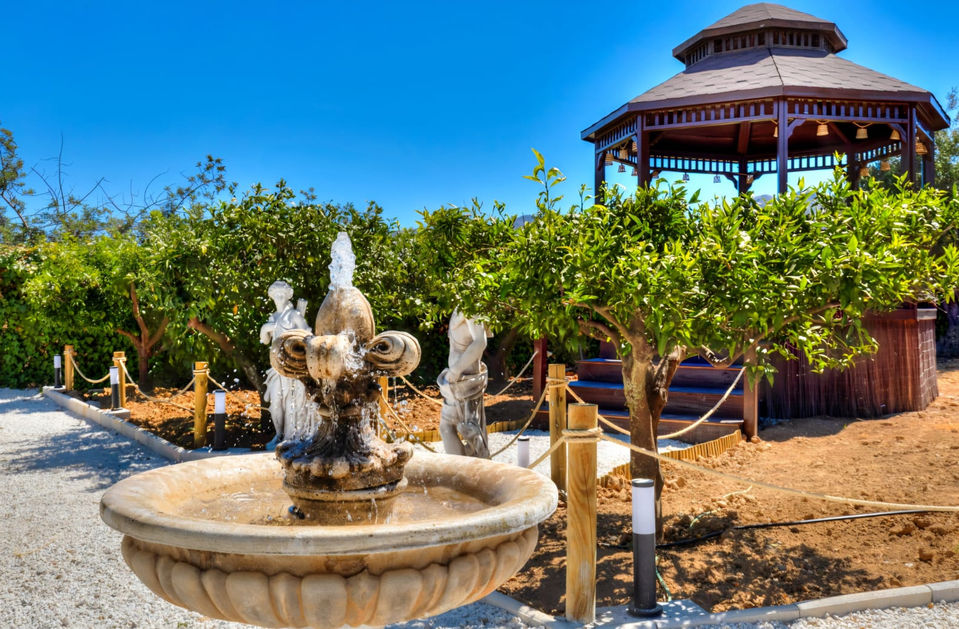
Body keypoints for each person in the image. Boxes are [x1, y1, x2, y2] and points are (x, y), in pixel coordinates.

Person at [260, 281, 312, 446]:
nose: (279, 298)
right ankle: (279, 434)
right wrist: (264, 329)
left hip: (292, 367)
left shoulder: (294, 315)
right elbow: (264, 340)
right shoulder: (273, 317)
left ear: (288, 296)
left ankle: (293, 436)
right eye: (276, 296)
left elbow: (309, 338)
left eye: (282, 295)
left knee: (292, 402)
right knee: (276, 402)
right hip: (276, 367)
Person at [437, 309, 492, 457]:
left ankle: (464, 469)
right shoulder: (463, 304)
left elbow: (481, 342)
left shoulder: (471, 306)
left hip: (463, 379)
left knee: (462, 429)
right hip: (459, 379)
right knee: (456, 428)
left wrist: (455, 371)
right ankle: (464, 468)